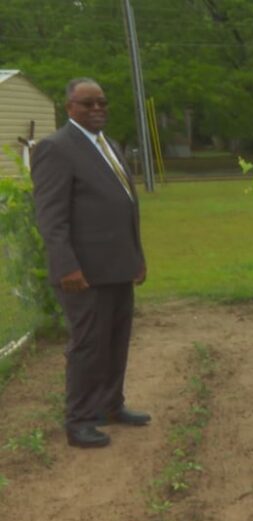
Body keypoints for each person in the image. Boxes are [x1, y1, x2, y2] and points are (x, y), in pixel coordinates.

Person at [32, 77, 150, 448]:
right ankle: (80, 420)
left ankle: (111, 406)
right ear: (69, 108)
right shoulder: (55, 148)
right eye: (87, 104)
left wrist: (137, 257)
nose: (97, 109)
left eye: (101, 103)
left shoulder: (109, 145)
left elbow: (125, 208)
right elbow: (51, 218)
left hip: (118, 265)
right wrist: (66, 266)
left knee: (116, 340)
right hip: (82, 273)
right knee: (88, 345)